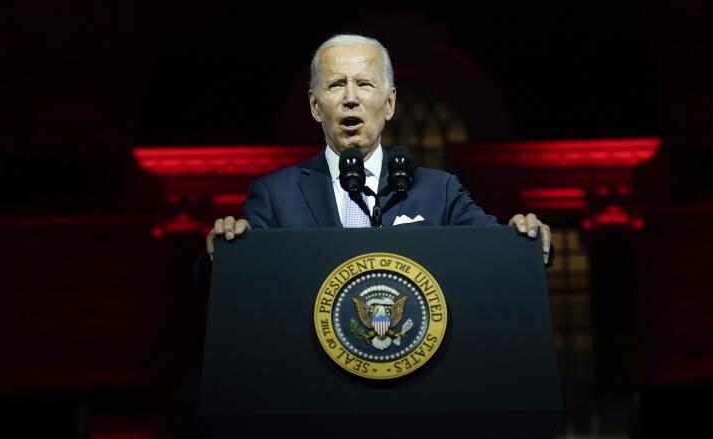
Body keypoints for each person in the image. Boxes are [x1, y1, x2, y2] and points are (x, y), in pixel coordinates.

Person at [193, 33, 551, 294]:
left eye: (364, 84)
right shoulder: (276, 194)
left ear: (390, 103)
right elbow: (218, 281)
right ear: (316, 107)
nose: (350, 99)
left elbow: (499, 251)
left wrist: (525, 236)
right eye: (336, 85)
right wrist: (222, 249)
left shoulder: (439, 191)